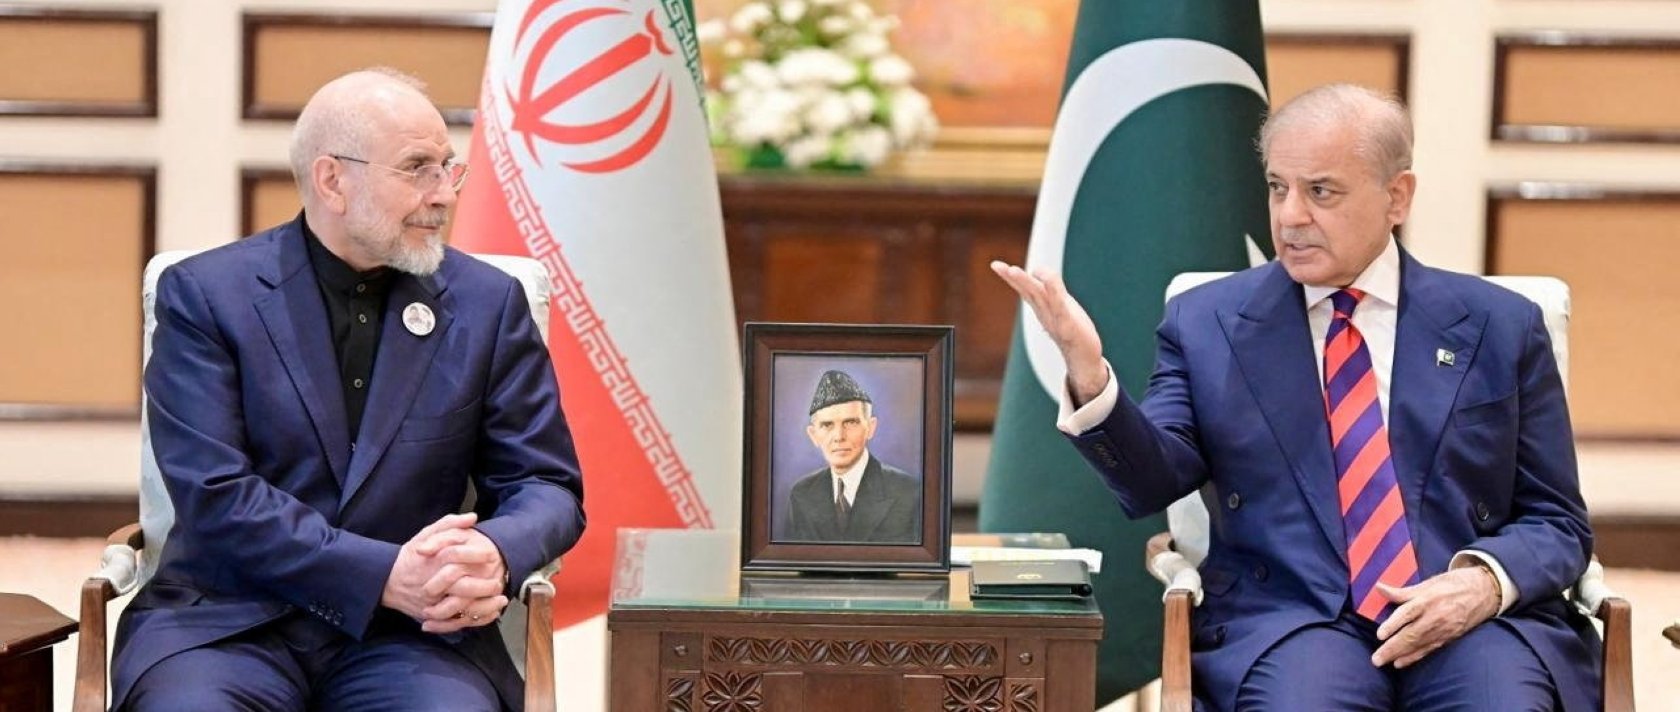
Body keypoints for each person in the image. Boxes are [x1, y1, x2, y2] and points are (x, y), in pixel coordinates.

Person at [992, 84, 1597, 711]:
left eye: (1321, 191)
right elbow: (1153, 480)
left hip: (1469, 619)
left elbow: (1558, 521)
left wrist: (1481, 584)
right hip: (1291, 619)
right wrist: (1090, 375)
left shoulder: (1500, 325)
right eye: (1278, 187)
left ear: (1397, 196)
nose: (1290, 216)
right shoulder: (1209, 324)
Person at [109, 68, 586, 712]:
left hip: (415, 638)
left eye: (449, 167)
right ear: (333, 180)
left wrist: (493, 551)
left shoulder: (486, 304)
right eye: (418, 168)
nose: (444, 193)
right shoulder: (206, 296)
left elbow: (545, 485)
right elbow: (215, 494)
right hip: (228, 622)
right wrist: (386, 574)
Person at [783, 369, 921, 543]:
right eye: (827, 425)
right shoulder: (801, 494)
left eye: (850, 422)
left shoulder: (908, 492)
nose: (839, 436)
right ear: (813, 435)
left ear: (870, 428)